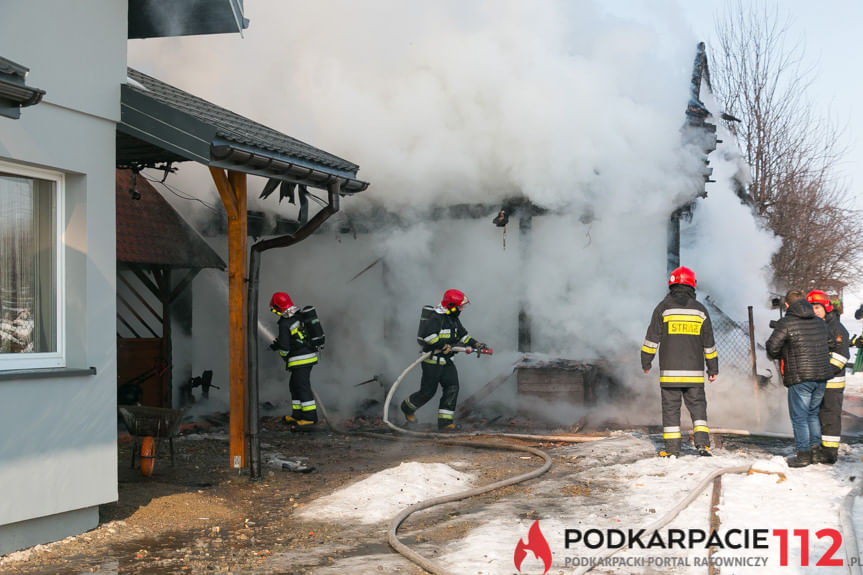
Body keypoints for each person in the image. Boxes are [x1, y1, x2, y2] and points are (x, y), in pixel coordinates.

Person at [641, 266, 718, 457]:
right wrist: (713, 368)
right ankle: (702, 445)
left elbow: (652, 339)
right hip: (694, 374)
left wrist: (646, 361)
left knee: (670, 409)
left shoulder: (663, 308)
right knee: (698, 408)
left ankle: (672, 450)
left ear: (671, 284)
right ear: (693, 285)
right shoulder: (700, 311)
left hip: (670, 374)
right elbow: (709, 343)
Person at [401, 289, 490, 431]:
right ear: (451, 306)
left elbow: (463, 336)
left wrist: (476, 344)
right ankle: (407, 407)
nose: (462, 309)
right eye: (460, 306)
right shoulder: (436, 317)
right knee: (427, 393)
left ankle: (445, 424)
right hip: (432, 362)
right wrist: (442, 346)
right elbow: (428, 336)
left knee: (452, 388)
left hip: (447, 361)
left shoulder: (453, 318)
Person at [766, 290, 833, 467]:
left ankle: (803, 455)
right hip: (821, 376)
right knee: (812, 414)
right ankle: (815, 452)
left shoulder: (786, 323)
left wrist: (785, 352)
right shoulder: (819, 321)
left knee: (799, 417)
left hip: (800, 376)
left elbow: (771, 348)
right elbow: (832, 342)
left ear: (787, 305)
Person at [806, 290, 849, 464]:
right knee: (817, 416)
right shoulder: (816, 325)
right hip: (818, 380)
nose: (815, 311)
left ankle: (830, 453)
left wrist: (823, 372)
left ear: (826, 307)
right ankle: (818, 448)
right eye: (812, 307)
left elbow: (841, 357)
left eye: (818, 307)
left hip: (832, 382)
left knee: (830, 417)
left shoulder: (836, 329)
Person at [269, 291, 319, 430]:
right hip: (307, 356)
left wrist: (283, 354)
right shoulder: (298, 316)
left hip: (300, 359)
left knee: (302, 387)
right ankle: (297, 414)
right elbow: (295, 337)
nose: (274, 311)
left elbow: (285, 347)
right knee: (294, 386)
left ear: (279, 308)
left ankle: (310, 418)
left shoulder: (284, 323)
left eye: (275, 309)